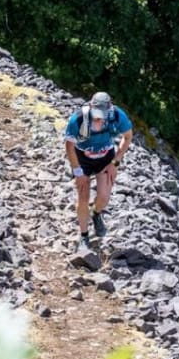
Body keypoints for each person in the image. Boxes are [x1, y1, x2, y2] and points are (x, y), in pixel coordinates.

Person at [64, 91, 133, 249]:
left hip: (105, 158)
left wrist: (115, 162)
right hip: (83, 160)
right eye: (96, 114)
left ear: (109, 109)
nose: (98, 119)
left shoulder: (117, 116)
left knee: (103, 197)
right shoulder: (78, 119)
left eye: (102, 115)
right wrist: (78, 172)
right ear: (90, 106)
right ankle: (84, 236)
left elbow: (128, 137)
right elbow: (69, 146)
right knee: (83, 197)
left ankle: (96, 213)